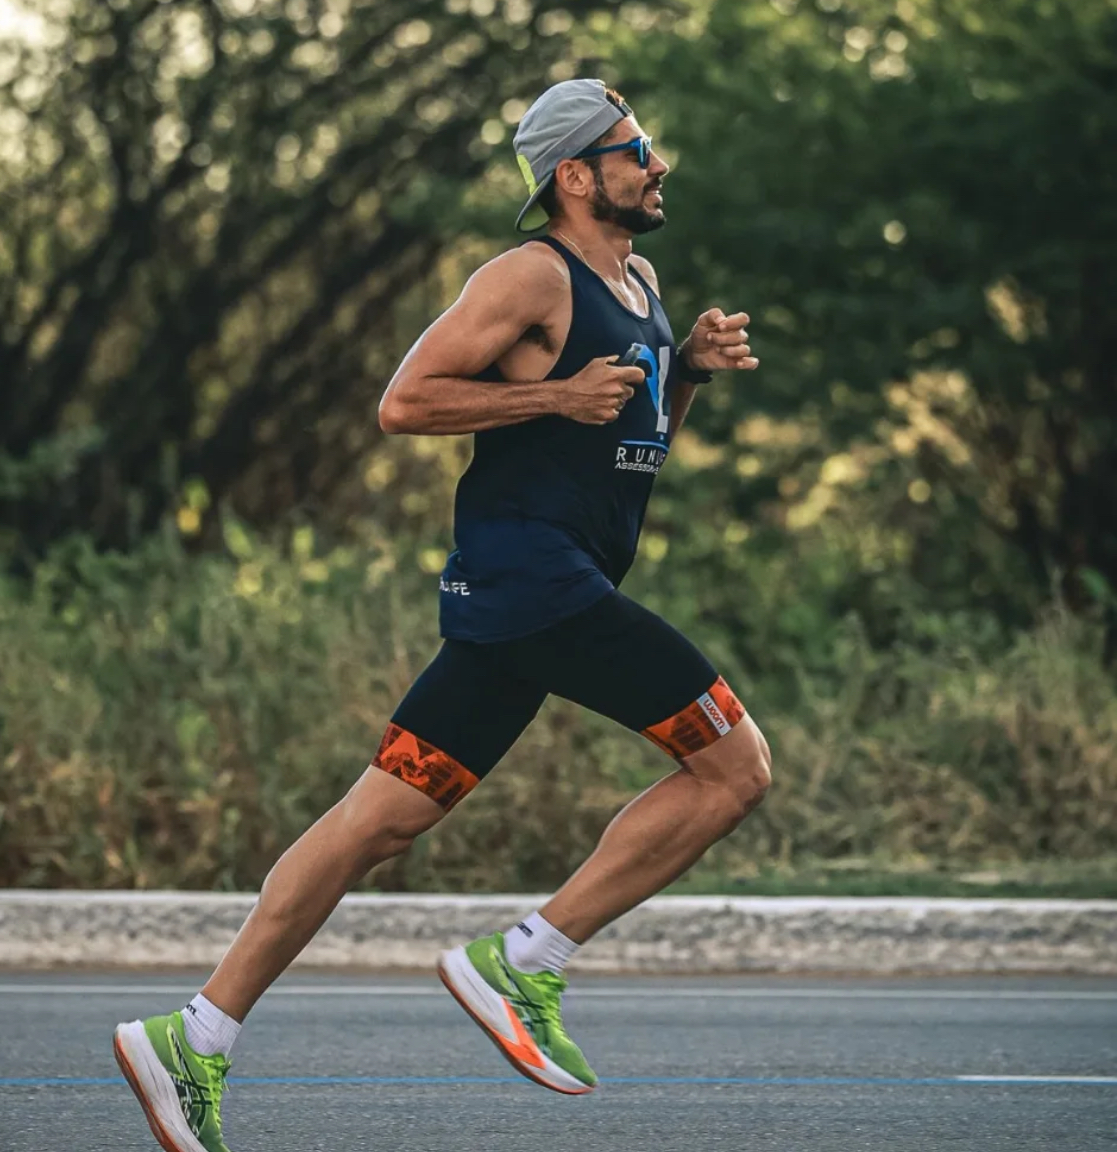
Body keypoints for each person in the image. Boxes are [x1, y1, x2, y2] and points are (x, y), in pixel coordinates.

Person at [114, 78, 772, 1152]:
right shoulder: (527, 276)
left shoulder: (640, 281)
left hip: (531, 596)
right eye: (636, 147)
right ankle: (527, 960)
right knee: (736, 768)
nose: (659, 163)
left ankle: (194, 1035)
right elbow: (404, 401)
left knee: (380, 821)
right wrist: (552, 396)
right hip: (540, 583)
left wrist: (684, 368)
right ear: (575, 173)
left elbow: (633, 445)